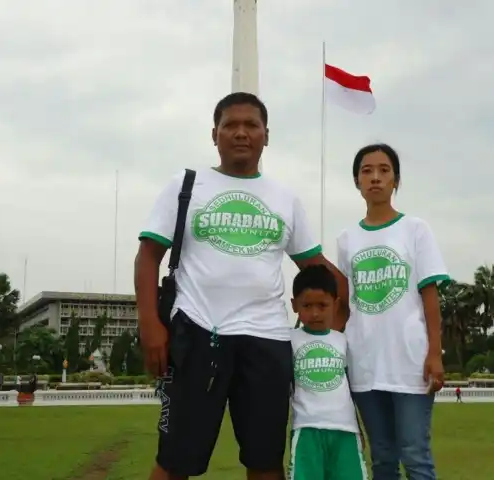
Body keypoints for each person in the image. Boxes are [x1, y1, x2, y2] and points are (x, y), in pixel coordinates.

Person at [135, 92, 349, 480]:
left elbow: (313, 266)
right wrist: (150, 324)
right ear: (213, 134)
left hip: (266, 340)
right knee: (175, 460)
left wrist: (352, 300)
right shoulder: (187, 185)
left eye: (251, 125)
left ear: (266, 135)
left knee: (265, 461)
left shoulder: (285, 198)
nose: (240, 133)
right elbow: (149, 256)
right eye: (230, 125)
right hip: (198, 335)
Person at [337, 143, 450, 480]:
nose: (375, 178)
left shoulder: (416, 229)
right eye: (366, 171)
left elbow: (429, 297)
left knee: (416, 456)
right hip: (365, 365)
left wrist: (434, 353)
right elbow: (345, 305)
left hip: (410, 365)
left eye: (384, 170)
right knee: (383, 459)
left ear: (396, 180)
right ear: (357, 181)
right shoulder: (346, 239)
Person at [288, 265, 367, 480]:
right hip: (307, 429)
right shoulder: (289, 340)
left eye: (322, 305)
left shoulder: (343, 341)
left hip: (345, 430)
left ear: (335, 305)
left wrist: (359, 428)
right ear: (294, 305)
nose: (314, 313)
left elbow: (350, 387)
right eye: (307, 305)